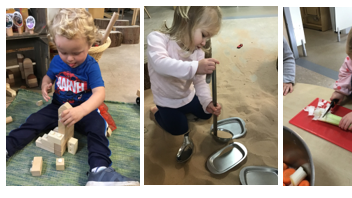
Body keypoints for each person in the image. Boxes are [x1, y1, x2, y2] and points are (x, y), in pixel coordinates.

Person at [6, 8, 139, 186]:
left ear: (90, 44)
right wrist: (46, 83)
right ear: (56, 45)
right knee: (33, 121)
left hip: (84, 110)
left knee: (98, 126)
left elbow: (100, 93)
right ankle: (7, 146)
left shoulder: (91, 66)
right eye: (63, 51)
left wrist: (81, 111)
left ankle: (99, 171)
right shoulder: (56, 61)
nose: (69, 58)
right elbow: (49, 76)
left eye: (76, 52)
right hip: (58, 107)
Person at [146, 6, 222, 163]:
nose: (204, 42)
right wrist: (196, 67)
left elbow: (200, 81)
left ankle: (190, 109)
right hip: (167, 101)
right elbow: (161, 64)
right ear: (186, 22)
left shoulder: (197, 51)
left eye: (207, 38)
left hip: (187, 95)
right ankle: (156, 112)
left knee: (207, 112)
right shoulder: (157, 38)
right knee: (178, 129)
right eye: (203, 35)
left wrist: (207, 101)